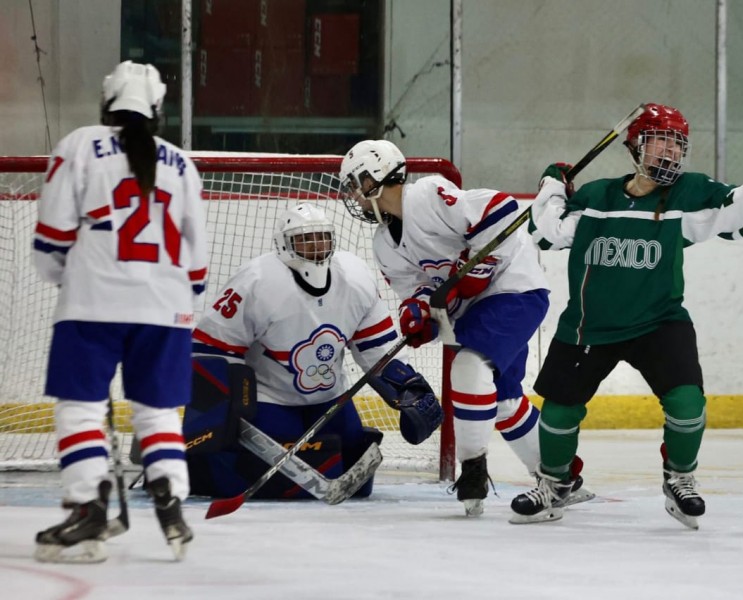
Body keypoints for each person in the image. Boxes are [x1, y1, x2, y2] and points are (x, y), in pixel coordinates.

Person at [514, 102, 743, 529]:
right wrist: (553, 185)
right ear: (635, 147)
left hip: (659, 321)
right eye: (660, 141)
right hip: (589, 325)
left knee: (687, 405)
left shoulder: (687, 194)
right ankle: (556, 486)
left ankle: (679, 478)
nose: (669, 153)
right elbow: (545, 232)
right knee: (558, 413)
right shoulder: (595, 198)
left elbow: (740, 210)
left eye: (677, 144)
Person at [338, 140, 593, 517]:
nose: (353, 196)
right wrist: (418, 313)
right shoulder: (383, 245)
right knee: (503, 400)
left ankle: (472, 469)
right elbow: (421, 289)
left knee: (468, 367)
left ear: (373, 180)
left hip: (513, 288)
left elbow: (502, 210)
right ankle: (562, 476)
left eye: (355, 185)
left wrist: (474, 269)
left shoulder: (428, 194)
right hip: (476, 310)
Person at [32, 61, 207, 562]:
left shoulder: (79, 145)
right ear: (158, 108)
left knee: (80, 407)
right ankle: (172, 502)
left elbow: (53, 237)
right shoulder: (181, 162)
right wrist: (176, 297)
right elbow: (198, 260)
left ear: (108, 102)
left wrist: (67, 277)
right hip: (167, 305)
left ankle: (88, 508)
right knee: (156, 412)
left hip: (93, 301)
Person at [187, 202, 443, 500]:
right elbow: (211, 345)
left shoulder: (355, 276)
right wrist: (232, 408)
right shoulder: (257, 281)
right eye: (305, 238)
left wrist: (406, 387)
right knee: (273, 475)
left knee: (357, 475)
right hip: (271, 398)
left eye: (322, 237)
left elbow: (376, 346)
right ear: (284, 245)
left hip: (329, 399)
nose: (315, 245)